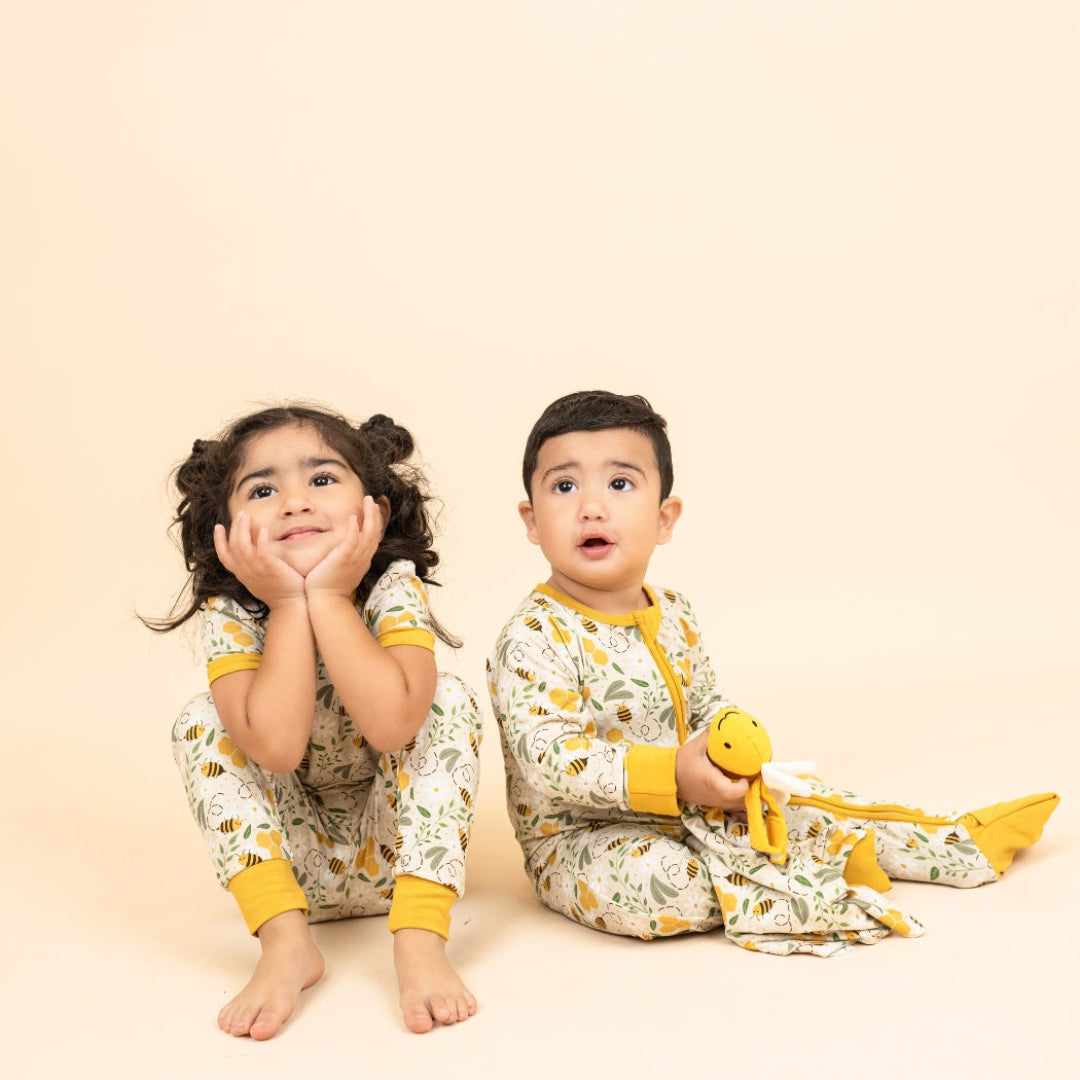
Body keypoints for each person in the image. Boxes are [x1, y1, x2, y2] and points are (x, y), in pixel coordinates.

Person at [488, 389, 1058, 956]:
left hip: (696, 808)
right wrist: (674, 774)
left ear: (664, 519)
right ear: (532, 521)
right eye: (564, 486)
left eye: (619, 484)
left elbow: (707, 703)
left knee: (805, 802)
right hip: (584, 839)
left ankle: (955, 844)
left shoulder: (676, 612)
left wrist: (728, 750)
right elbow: (549, 759)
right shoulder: (535, 635)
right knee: (670, 889)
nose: (591, 506)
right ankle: (819, 871)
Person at [150, 403, 481, 1037]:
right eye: (264, 489)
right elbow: (273, 747)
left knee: (445, 700)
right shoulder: (232, 612)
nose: (295, 503)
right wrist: (286, 604)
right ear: (225, 530)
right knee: (203, 719)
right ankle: (286, 945)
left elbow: (393, 726)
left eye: (322, 479)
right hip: (288, 869)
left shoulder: (391, 586)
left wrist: (329, 596)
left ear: (374, 511)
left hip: (400, 857)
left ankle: (419, 940)